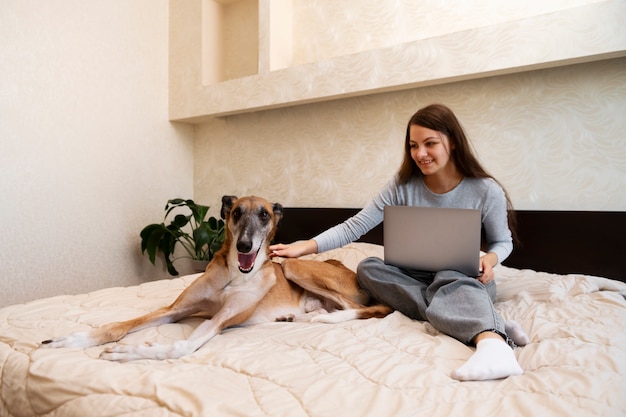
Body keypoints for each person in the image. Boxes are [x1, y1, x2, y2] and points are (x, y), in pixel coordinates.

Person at [270, 103, 528, 381]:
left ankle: (493, 343)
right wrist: (305, 246)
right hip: (414, 275)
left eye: (430, 144)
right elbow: (355, 226)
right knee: (368, 268)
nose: (420, 153)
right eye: (413, 145)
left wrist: (487, 260)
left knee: (449, 274)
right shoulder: (402, 185)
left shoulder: (485, 190)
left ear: (452, 142)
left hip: (462, 277)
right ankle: (484, 318)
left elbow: (503, 242)